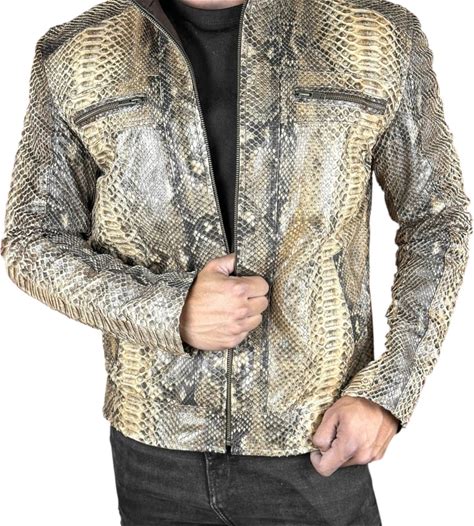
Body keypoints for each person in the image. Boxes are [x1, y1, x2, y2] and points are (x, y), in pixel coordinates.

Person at [1, 0, 471, 524]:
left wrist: (387, 393)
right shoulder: (78, 51)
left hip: (316, 440)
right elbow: (31, 239)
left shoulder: (373, 36)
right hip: (154, 451)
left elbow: (438, 219)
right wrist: (171, 310)